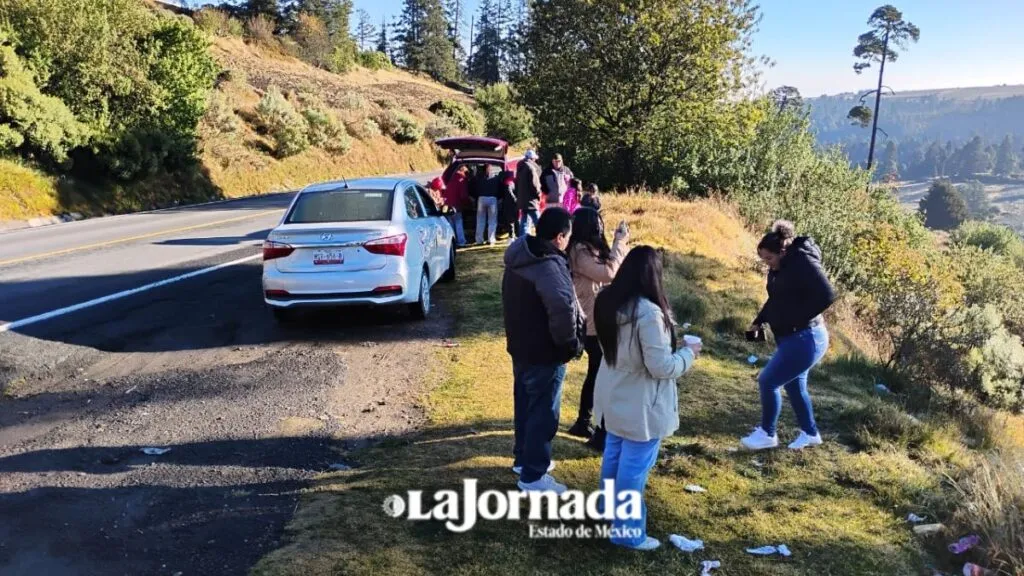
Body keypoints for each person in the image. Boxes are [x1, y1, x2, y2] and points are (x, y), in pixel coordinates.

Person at [593, 246, 701, 551]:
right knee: (634, 467)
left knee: (614, 454)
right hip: (642, 402)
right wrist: (688, 355)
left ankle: (607, 510)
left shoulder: (606, 300)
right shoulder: (648, 313)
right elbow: (661, 366)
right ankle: (627, 531)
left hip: (613, 392)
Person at [502, 207, 585, 494]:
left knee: (525, 405)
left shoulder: (520, 255)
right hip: (545, 351)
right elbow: (562, 309)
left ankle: (524, 459)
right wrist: (570, 345)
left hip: (521, 346)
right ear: (560, 237)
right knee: (543, 412)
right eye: (569, 236)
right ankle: (533, 476)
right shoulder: (547, 266)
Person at [742, 220, 836, 452]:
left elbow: (827, 295)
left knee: (768, 380)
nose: (768, 265)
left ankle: (767, 434)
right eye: (763, 260)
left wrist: (796, 318)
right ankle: (811, 433)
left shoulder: (802, 262)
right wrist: (760, 319)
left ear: (782, 251)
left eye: (770, 259)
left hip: (807, 337)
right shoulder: (779, 268)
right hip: (791, 338)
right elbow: (776, 297)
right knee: (794, 386)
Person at [567, 208, 629, 452]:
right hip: (592, 323)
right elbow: (608, 273)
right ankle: (593, 426)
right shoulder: (579, 251)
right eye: (599, 223)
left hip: (598, 319)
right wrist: (619, 242)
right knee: (601, 374)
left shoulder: (587, 249)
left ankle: (586, 422)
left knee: (598, 373)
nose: (602, 227)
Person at [516, 150, 543, 235]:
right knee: (538, 222)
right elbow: (535, 185)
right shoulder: (531, 168)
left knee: (524, 222)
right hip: (531, 201)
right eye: (534, 159)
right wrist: (539, 194)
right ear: (532, 158)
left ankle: (523, 240)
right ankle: (544, 238)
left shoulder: (520, 167)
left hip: (522, 201)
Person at [443, 165, 470, 246]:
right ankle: (461, 242)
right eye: (466, 172)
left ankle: (452, 243)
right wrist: (468, 203)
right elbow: (463, 196)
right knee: (458, 223)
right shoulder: (461, 179)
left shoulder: (449, 177)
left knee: (450, 224)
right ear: (462, 171)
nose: (466, 175)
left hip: (447, 205)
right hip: (456, 205)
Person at [475, 164, 502, 245]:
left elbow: (476, 189)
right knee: (492, 221)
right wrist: (500, 198)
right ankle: (491, 239)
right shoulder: (496, 178)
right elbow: (500, 189)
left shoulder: (480, 178)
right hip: (492, 199)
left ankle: (479, 240)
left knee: (480, 220)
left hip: (481, 199)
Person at [499, 169, 519, 241]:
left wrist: (514, 199)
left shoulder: (508, 182)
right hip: (515, 204)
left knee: (510, 221)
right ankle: (516, 235)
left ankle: (511, 236)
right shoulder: (515, 181)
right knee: (516, 220)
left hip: (509, 204)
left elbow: (509, 193)